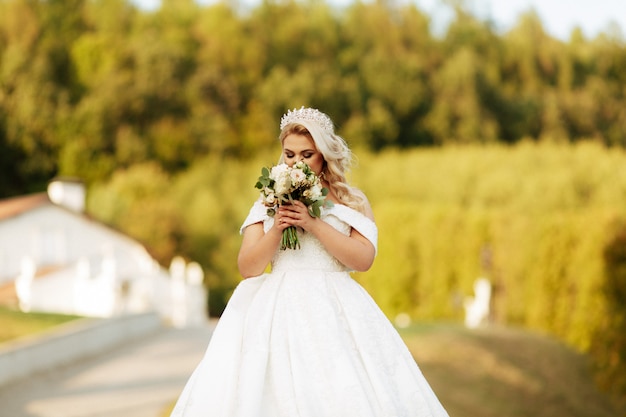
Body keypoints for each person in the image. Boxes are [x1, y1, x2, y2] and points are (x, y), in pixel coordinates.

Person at [170, 107, 450, 417]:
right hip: (277, 308)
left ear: (324, 155)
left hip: (334, 307)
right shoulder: (267, 199)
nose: (296, 163)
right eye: (289, 154)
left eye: (307, 155)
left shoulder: (350, 199)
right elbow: (248, 267)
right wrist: (277, 227)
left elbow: (364, 259)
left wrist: (314, 223)